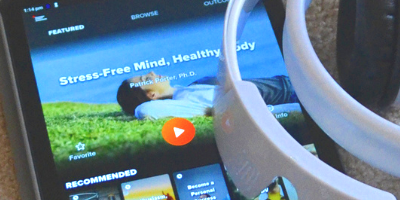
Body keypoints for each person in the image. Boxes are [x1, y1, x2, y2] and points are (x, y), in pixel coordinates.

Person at [115, 71, 296, 120]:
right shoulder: (184, 102)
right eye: (147, 78)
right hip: (290, 95)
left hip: (287, 82)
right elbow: (144, 110)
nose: (153, 73)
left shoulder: (188, 88)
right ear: (152, 95)